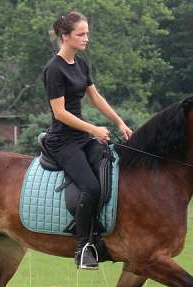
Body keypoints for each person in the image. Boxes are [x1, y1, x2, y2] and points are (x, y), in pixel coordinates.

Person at [43, 11, 133, 270]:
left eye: (87, 34)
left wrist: (119, 122)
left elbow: (96, 98)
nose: (86, 38)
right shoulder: (54, 69)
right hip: (62, 141)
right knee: (91, 188)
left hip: (81, 137)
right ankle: (83, 246)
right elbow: (60, 113)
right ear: (65, 36)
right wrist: (94, 129)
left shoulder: (81, 64)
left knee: (111, 168)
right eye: (81, 34)